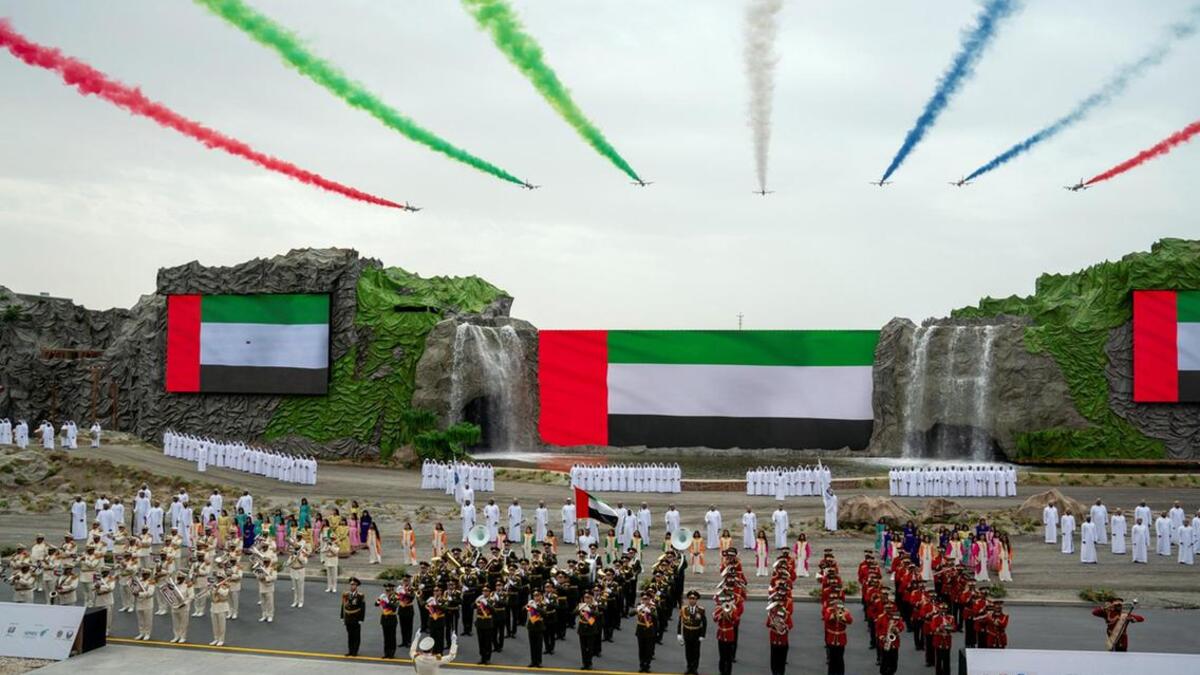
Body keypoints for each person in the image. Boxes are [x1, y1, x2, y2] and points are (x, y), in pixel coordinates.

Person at [677, 590, 707, 675]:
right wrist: (679, 634)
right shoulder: (684, 609)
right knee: (688, 652)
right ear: (688, 599)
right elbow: (680, 622)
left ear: (696, 600)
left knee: (696, 652)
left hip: (696, 632)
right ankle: (689, 667)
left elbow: (704, 623)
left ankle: (694, 668)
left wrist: (702, 635)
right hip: (687, 632)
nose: (692, 600)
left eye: (694, 599)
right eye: (690, 598)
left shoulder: (701, 610)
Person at [341, 577, 366, 657]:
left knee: (356, 635)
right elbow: (343, 606)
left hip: (356, 618)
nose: (352, 586)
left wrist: (361, 619)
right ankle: (350, 651)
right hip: (348, 617)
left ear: (356, 586)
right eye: (351, 584)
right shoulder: (346, 594)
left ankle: (355, 651)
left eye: (354, 585)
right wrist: (342, 617)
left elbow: (362, 608)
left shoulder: (360, 596)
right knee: (350, 635)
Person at [377, 581, 400, 659]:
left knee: (392, 637)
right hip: (384, 618)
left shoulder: (396, 597)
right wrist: (379, 599)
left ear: (392, 589)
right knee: (386, 637)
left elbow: (394, 608)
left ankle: (391, 653)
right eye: (386, 590)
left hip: (392, 618)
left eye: (389, 590)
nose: (387, 591)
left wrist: (386, 601)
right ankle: (386, 653)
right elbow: (376, 604)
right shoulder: (383, 596)